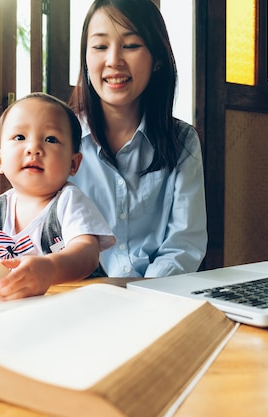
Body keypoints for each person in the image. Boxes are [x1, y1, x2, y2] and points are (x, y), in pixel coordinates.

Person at [69, 0, 207, 278]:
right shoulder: (61, 139)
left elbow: (184, 244)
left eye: (131, 46)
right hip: (82, 297)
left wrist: (145, 296)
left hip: (158, 297)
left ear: (157, 59)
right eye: (100, 46)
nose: (113, 61)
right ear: (86, 58)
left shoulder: (182, 142)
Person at [0, 92, 116, 300]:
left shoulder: (69, 201)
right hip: (20, 306)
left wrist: (50, 268)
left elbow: (87, 254)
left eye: (50, 139)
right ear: (0, 160)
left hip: (78, 303)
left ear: (73, 164)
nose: (33, 148)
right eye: (20, 137)